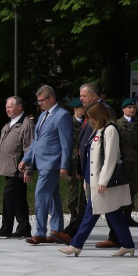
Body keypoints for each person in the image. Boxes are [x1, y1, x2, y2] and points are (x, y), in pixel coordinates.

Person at [58, 103, 135, 257]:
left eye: (91, 117)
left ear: (99, 116)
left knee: (91, 212)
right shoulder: (99, 129)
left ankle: (76, 245)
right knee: (114, 213)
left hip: (105, 183)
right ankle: (128, 244)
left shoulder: (110, 130)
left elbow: (110, 158)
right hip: (96, 181)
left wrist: (103, 181)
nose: (90, 121)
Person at [18, 85, 72, 244]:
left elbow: (66, 144)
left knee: (40, 196)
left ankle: (40, 232)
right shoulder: (42, 116)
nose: (39, 104)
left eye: (42, 100)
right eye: (38, 101)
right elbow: (36, 141)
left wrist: (64, 165)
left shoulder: (62, 116)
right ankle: (57, 231)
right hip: (41, 162)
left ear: (51, 99)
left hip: (52, 163)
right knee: (53, 199)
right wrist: (26, 159)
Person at [76, 82, 121, 249]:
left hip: (99, 172)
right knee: (111, 211)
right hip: (90, 169)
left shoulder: (105, 113)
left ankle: (75, 241)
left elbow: (108, 153)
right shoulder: (90, 112)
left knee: (92, 208)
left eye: (84, 96)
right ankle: (123, 241)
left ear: (94, 96)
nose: (81, 99)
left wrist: (102, 179)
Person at [0, 96, 33, 238]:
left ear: (19, 107)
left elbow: (29, 148)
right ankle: (24, 227)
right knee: (19, 199)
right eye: (6, 107)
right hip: (7, 168)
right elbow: (0, 146)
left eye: (10, 107)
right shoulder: (9, 124)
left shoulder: (26, 124)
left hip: (17, 169)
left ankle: (6, 228)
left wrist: (28, 169)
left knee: (8, 195)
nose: (7, 109)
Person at [51, 98, 88, 244]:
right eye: (81, 108)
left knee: (84, 194)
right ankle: (73, 217)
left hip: (84, 162)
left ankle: (78, 222)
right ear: (75, 109)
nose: (84, 110)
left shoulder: (88, 122)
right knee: (72, 192)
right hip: (72, 162)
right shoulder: (69, 123)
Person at [116, 98, 138, 227]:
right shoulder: (118, 124)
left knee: (133, 188)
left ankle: (128, 214)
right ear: (123, 109)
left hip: (136, 160)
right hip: (123, 160)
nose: (132, 109)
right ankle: (119, 215)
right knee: (122, 188)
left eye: (134, 107)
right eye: (129, 107)